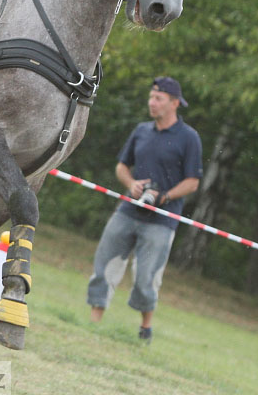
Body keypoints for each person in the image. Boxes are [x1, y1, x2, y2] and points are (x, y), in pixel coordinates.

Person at [87, 76, 203, 344]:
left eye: (158, 98)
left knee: (146, 277)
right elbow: (121, 166)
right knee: (105, 264)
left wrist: (165, 196)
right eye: (151, 97)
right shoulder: (141, 130)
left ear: (174, 103)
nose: (152, 102)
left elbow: (192, 182)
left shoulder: (189, 138)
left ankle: (145, 329)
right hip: (128, 210)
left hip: (162, 221)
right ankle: (93, 323)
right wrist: (131, 184)